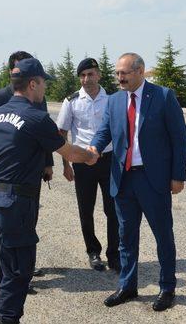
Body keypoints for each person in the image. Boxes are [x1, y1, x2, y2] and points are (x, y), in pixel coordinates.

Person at [0, 58, 98, 324]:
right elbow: (69, 152)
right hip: (16, 204)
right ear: (32, 84)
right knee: (18, 272)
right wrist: (90, 156)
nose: (44, 90)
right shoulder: (36, 117)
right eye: (43, 83)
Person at [89, 52, 186, 312]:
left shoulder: (163, 97)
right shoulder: (114, 101)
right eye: (117, 74)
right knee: (126, 237)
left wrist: (178, 175)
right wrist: (94, 149)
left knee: (163, 236)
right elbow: (105, 132)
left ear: (140, 71)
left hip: (152, 179)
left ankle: (167, 288)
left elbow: (179, 137)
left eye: (125, 73)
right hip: (123, 180)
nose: (120, 78)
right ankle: (127, 286)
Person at [0, 51, 53, 286]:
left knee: (27, 222)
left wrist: (48, 163)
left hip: (30, 176)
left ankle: (23, 267)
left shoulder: (38, 99)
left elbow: (43, 134)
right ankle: (15, 272)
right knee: (6, 236)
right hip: (7, 179)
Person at [56, 58, 120, 272]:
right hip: (82, 162)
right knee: (86, 209)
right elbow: (62, 134)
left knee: (113, 209)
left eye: (90, 74)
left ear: (99, 75)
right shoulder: (71, 101)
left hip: (108, 160)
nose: (86, 79)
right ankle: (93, 251)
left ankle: (114, 254)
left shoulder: (111, 100)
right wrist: (66, 165)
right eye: (82, 75)